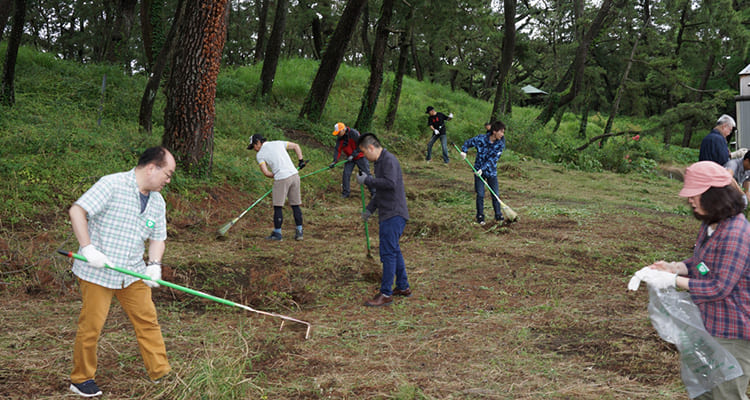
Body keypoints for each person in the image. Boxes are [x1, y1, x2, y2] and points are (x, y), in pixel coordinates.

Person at [67, 146, 175, 397]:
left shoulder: (158, 202)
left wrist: (155, 264)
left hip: (133, 273)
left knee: (148, 320)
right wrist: (88, 248)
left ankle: (160, 371)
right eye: (167, 174)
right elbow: (77, 210)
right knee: (92, 326)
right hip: (98, 272)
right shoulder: (112, 184)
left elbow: (158, 238)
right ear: (152, 168)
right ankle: (81, 378)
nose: (168, 180)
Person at [637, 161, 750, 399]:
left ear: (714, 196)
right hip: (708, 324)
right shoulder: (712, 225)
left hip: (731, 331)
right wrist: (675, 267)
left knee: (726, 393)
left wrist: (673, 281)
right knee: (704, 389)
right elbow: (703, 263)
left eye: (695, 195)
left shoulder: (736, 233)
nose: (690, 200)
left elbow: (719, 287)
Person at [356, 133, 411, 307]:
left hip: (394, 214)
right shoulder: (380, 163)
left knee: (387, 253)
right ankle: (402, 286)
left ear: (371, 147)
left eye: (364, 152)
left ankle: (386, 293)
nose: (364, 156)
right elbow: (382, 192)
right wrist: (370, 210)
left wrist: (368, 181)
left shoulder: (388, 160)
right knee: (394, 250)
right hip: (389, 212)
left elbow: (390, 184)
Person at [247, 134, 307, 241]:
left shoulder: (260, 155)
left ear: (258, 142)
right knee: (295, 205)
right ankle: (299, 232)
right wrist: (301, 160)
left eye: (254, 146)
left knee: (278, 206)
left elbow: (266, 172)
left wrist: (276, 174)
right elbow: (296, 146)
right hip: (295, 175)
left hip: (281, 178)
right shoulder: (278, 143)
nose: (254, 149)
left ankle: (277, 234)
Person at [460, 120, 507, 225]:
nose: (502, 134)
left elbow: (493, 160)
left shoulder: (500, 144)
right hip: (478, 172)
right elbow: (468, 143)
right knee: (480, 194)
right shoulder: (481, 139)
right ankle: (480, 216)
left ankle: (498, 215)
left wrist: (483, 169)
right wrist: (464, 151)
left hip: (491, 172)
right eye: (501, 132)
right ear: (494, 131)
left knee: (495, 194)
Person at [329, 122, 373, 198]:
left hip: (360, 156)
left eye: (338, 132)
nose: (338, 134)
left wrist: (353, 155)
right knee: (346, 174)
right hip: (350, 159)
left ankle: (374, 192)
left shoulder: (353, 133)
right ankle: (346, 193)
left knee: (366, 174)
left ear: (343, 130)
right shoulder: (340, 138)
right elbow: (337, 150)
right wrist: (334, 161)